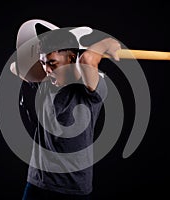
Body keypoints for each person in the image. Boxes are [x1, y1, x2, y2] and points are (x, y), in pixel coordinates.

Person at [10, 26, 121, 200]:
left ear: (71, 58)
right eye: (43, 63)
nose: (47, 69)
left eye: (52, 62)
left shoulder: (90, 87)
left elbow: (87, 59)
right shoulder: (46, 82)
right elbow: (14, 66)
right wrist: (45, 68)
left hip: (72, 188)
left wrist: (107, 42)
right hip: (38, 182)